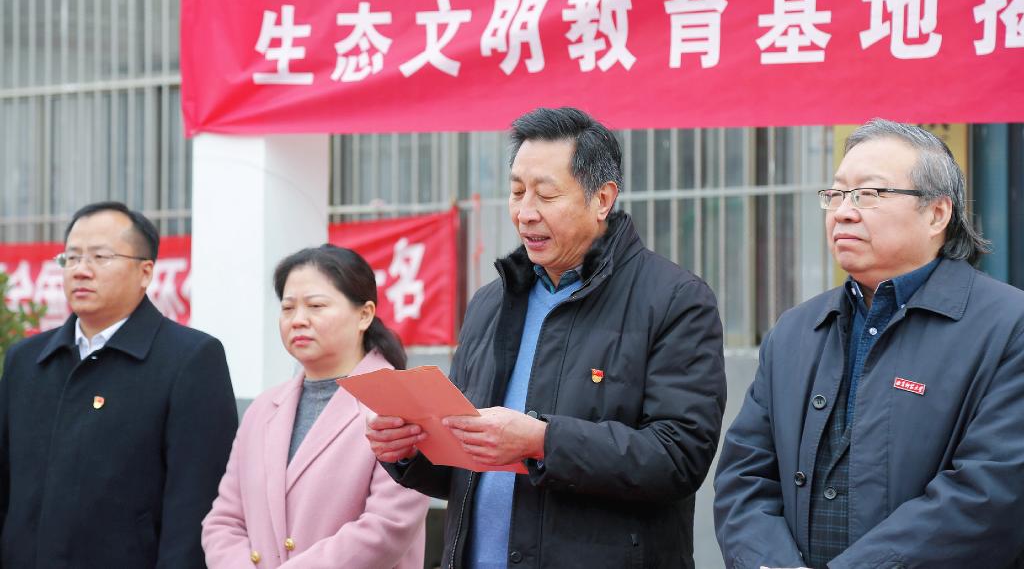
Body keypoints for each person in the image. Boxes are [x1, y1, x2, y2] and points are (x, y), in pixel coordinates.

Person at [367, 107, 726, 569]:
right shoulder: (491, 303)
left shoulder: (675, 300)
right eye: (517, 191)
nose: (525, 213)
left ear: (602, 199)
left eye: (546, 194)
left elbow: (679, 456)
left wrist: (543, 441)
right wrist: (410, 450)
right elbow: (466, 468)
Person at [714, 119, 1024, 569]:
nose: (843, 212)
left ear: (937, 214)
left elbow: (990, 494)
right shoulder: (795, 332)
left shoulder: (1008, 325)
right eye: (836, 194)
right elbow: (745, 477)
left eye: (868, 194)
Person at [0, 201, 237, 568]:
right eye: (72, 258)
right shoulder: (26, 360)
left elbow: (195, 503)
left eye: (100, 257)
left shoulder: (190, 359)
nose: (81, 270)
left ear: (145, 272)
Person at [202, 244, 428, 569]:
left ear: (364, 314)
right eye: (288, 308)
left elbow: (386, 527)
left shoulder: (398, 403)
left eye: (316, 306)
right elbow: (224, 520)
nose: (298, 320)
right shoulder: (263, 409)